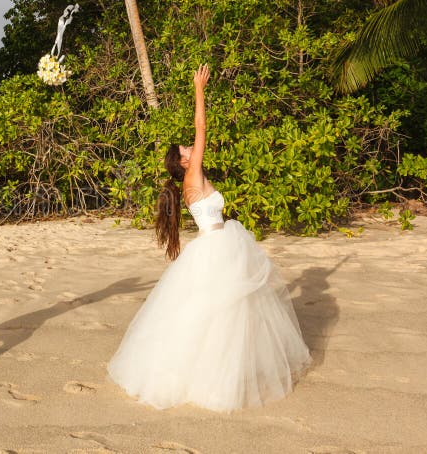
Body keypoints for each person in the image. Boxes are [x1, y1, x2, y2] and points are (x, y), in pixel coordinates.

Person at [107, 65, 311, 411]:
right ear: (185, 162)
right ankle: (216, 377)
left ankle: (227, 368)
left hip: (214, 243)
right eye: (186, 149)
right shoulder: (193, 176)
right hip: (217, 246)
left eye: (188, 146)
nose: (190, 147)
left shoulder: (188, 184)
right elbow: (201, 128)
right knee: (226, 308)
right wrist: (199, 88)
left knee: (225, 309)